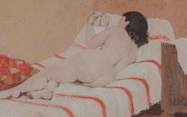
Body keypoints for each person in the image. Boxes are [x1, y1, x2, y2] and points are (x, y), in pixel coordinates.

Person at [0, 11, 149, 101]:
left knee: (48, 73)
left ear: (127, 22)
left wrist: (89, 24)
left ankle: (15, 90)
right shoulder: (134, 49)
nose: (118, 21)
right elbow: (116, 69)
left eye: (121, 19)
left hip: (93, 60)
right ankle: (44, 92)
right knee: (67, 79)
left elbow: (91, 43)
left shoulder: (116, 30)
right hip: (104, 75)